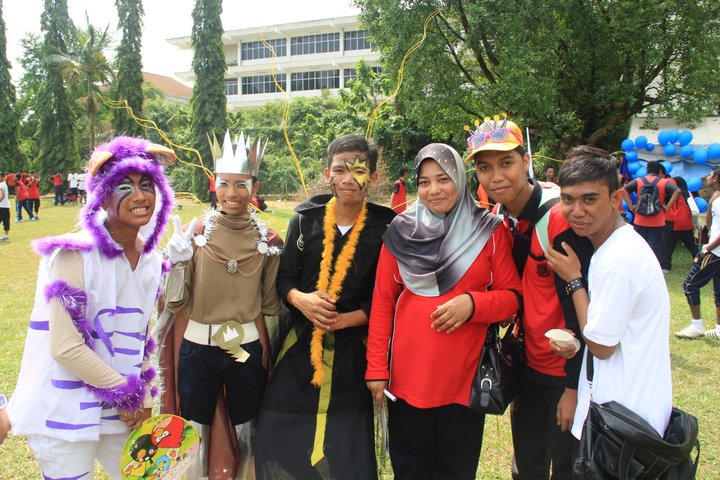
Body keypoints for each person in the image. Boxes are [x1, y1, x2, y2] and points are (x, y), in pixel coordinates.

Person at [8, 136, 177, 479]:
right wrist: (126, 394)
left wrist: (143, 398)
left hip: (122, 408)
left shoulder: (152, 261)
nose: (140, 196)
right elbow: (65, 346)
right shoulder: (74, 254)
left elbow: (140, 339)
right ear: (102, 193)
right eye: (124, 186)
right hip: (65, 409)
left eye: (147, 185)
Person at [366, 144, 521, 480]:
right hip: (407, 380)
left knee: (456, 471)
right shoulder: (400, 232)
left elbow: (513, 298)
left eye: (443, 179)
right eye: (424, 182)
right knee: (410, 470)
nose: (433, 189)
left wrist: (474, 304)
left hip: (464, 382)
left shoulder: (489, 230)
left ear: (460, 179)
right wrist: (376, 367)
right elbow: (382, 303)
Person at [254, 134, 395, 480]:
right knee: (276, 428)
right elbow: (285, 278)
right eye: (340, 170)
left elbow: (389, 294)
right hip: (301, 347)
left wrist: (349, 319)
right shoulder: (305, 220)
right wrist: (301, 300)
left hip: (353, 352)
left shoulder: (387, 227)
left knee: (345, 442)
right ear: (327, 173)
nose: (348, 179)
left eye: (358, 171)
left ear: (373, 176)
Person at [471, 114, 593, 480]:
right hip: (527, 364)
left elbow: (586, 299)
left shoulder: (558, 217)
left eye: (506, 163)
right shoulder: (499, 218)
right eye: (485, 167)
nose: (497, 176)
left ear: (526, 161)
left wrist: (573, 387)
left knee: (569, 467)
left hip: (564, 371)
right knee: (527, 467)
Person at [161, 131, 283, 479]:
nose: (232, 193)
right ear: (214, 184)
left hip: (242, 349)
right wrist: (178, 264)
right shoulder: (195, 232)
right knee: (193, 427)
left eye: (241, 184)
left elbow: (270, 304)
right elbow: (175, 299)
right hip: (197, 348)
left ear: (255, 187)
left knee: (248, 424)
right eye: (225, 183)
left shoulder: (268, 240)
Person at [545, 145, 672, 443]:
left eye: (589, 199)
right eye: (568, 199)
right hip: (619, 412)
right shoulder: (615, 247)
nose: (577, 211)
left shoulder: (618, 260)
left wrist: (574, 280)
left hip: (626, 419)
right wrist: (576, 344)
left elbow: (602, 346)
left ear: (616, 198)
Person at [676, 168, 720, 340]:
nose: (707, 178)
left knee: (690, 285)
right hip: (716, 250)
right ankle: (719, 329)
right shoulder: (716, 199)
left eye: (710, 175)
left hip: (714, 251)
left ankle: (697, 326)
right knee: (718, 290)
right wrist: (711, 203)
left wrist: (706, 249)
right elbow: (710, 225)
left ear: (716, 179)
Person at [623, 160, 680, 263]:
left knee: (639, 244)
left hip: (640, 219)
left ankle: (638, 264)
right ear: (659, 171)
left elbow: (624, 190)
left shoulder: (639, 181)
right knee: (654, 247)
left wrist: (631, 206)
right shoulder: (663, 182)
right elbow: (677, 191)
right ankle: (651, 265)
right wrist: (667, 207)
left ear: (647, 170)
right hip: (657, 220)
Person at [663, 176, 697, 272]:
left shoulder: (675, 194)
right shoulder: (689, 194)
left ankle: (666, 266)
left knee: (669, 245)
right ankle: (699, 261)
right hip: (687, 223)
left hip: (675, 222)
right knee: (691, 245)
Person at [0, 171, 9, 240]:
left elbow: (2, 196)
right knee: (6, 221)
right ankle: (6, 236)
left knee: (5, 221)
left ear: (2, 177)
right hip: (5, 206)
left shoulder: (1, 184)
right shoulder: (4, 184)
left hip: (1, 206)